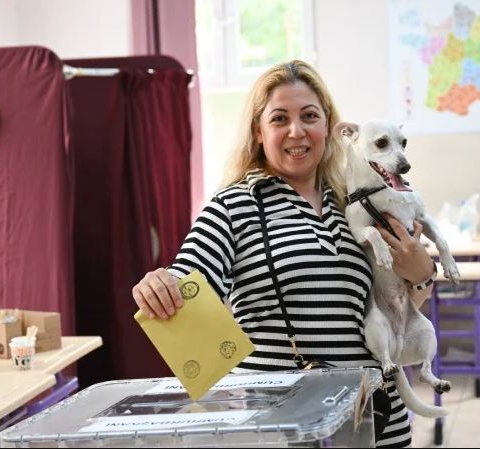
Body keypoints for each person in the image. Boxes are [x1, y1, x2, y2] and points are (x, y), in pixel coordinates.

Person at [132, 60, 435, 447]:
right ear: (259, 132)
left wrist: (422, 273)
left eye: (309, 116)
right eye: (279, 119)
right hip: (282, 428)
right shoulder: (233, 206)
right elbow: (189, 277)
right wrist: (161, 284)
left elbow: (400, 305)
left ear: (328, 125)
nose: (297, 131)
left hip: (376, 420)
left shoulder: (359, 201)